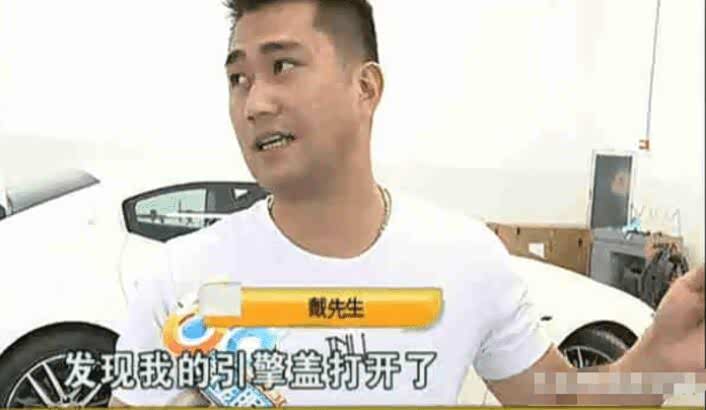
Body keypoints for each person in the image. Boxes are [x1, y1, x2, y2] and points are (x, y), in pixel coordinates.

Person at [110, 0, 705, 406]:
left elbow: (562, 401)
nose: (254, 103)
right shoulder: (179, 283)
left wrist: (658, 358)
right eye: (238, 79)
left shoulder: (465, 260)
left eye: (282, 66)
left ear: (365, 88)